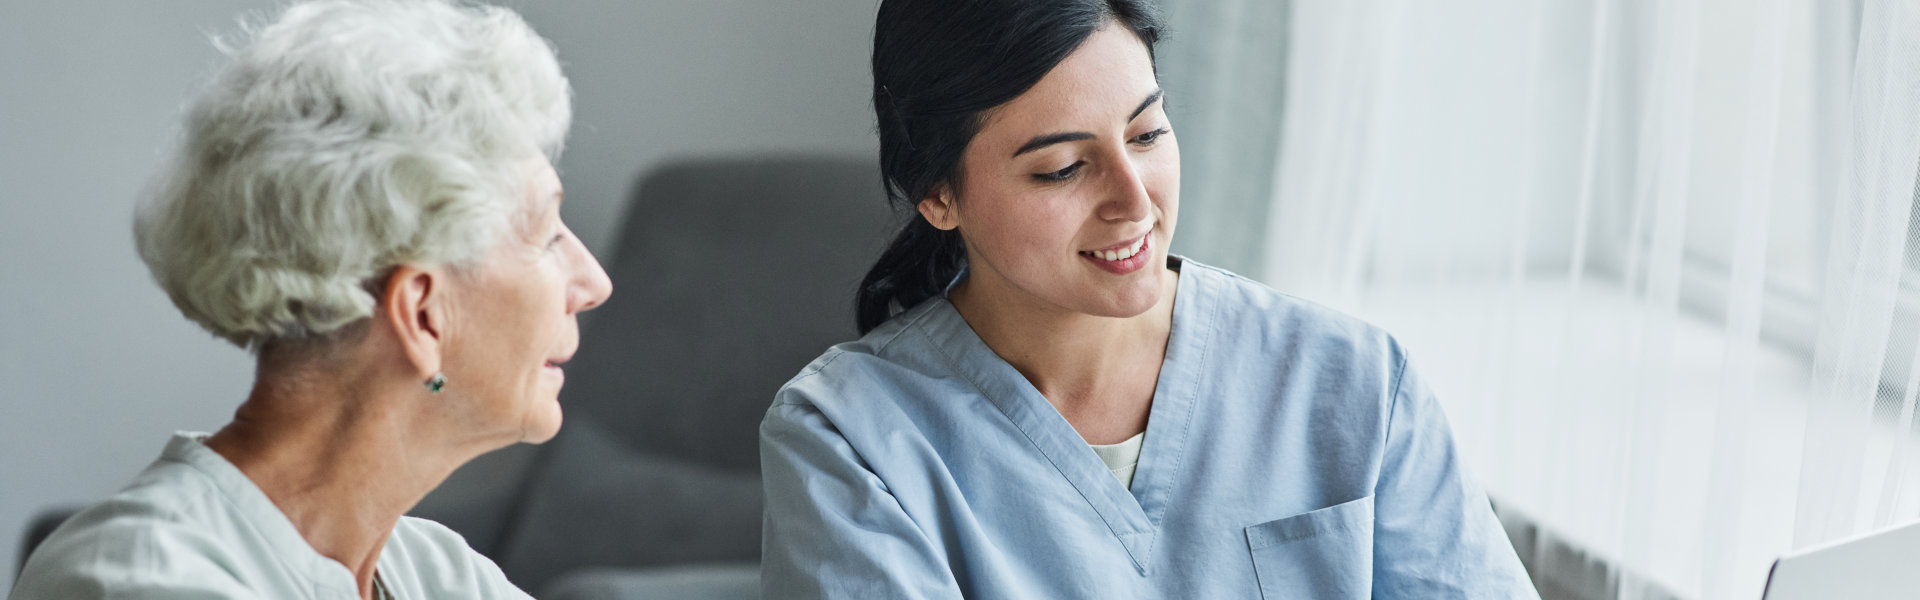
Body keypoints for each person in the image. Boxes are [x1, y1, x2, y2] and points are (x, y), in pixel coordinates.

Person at [757, 0, 1537, 597]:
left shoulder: (1357, 382)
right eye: (1063, 167)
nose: (1134, 201)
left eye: (1148, 134)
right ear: (937, 196)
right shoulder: (848, 439)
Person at [10, 1, 611, 598]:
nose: (594, 284)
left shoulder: (440, 574)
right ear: (423, 315)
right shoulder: (142, 579)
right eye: (549, 231)